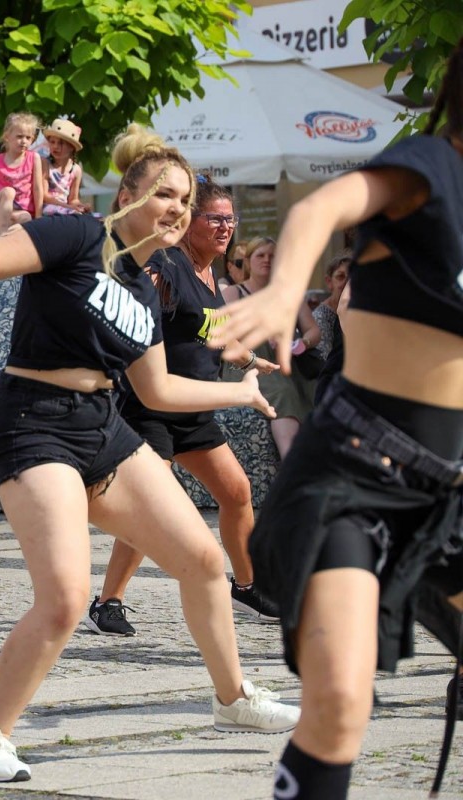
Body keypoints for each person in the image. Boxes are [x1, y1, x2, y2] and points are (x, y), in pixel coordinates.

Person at [0, 123, 299, 783]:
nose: (177, 210)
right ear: (127, 191)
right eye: (165, 194)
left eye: (185, 200)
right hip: (33, 422)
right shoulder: (77, 234)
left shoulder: (145, 283)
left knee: (204, 560)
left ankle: (233, 697)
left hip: (103, 426)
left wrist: (237, 393)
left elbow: (154, 387)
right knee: (67, 596)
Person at [208, 37, 463, 800]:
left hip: (448, 497)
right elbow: (321, 207)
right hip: (354, 476)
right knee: (342, 703)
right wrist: (286, 292)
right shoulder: (429, 167)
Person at [87, 177, 280, 637]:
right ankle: (107, 601)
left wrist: (253, 360)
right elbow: (126, 302)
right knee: (151, 507)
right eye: (214, 217)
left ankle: (247, 586)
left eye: (229, 219)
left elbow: (212, 337)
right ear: (191, 221)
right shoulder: (165, 265)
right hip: (150, 406)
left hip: (194, 410)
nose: (224, 227)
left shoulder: (212, 276)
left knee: (236, 491)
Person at [223, 237, 320, 459]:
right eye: (260, 255)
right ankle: (291, 463)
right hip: (248, 364)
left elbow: (314, 331)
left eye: (273, 255)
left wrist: (300, 343)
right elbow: (223, 335)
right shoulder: (233, 294)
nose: (267, 260)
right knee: (283, 393)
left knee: (313, 388)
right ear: (247, 261)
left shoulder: (289, 295)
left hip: (286, 363)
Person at [0, 112, 44, 237]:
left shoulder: (34, 158)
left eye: (28, 138)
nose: (24, 141)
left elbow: (37, 188)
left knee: (27, 218)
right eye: (19, 136)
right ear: (7, 137)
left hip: (19, 210)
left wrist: (38, 216)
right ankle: (3, 231)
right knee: (8, 192)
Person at [40, 118, 89, 216]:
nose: (55, 146)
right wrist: (67, 207)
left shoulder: (76, 170)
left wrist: (81, 206)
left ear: (71, 147)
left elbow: (73, 199)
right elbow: (44, 196)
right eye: (52, 142)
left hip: (66, 209)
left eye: (61, 143)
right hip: (47, 208)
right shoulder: (45, 163)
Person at [312, 249, 350, 361]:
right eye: (340, 277)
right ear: (329, 282)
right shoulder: (321, 317)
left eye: (351, 277)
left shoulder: (359, 311)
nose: (346, 282)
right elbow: (326, 358)